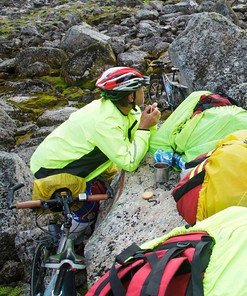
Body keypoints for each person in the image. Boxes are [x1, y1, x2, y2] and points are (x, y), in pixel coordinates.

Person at [30, 66, 161, 244]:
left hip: (62, 155)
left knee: (100, 188)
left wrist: (148, 124)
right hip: (52, 168)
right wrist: (145, 128)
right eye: (141, 88)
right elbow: (129, 161)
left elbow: (133, 136)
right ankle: (63, 241)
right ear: (130, 96)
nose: (144, 90)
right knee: (87, 210)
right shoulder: (104, 121)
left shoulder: (124, 109)